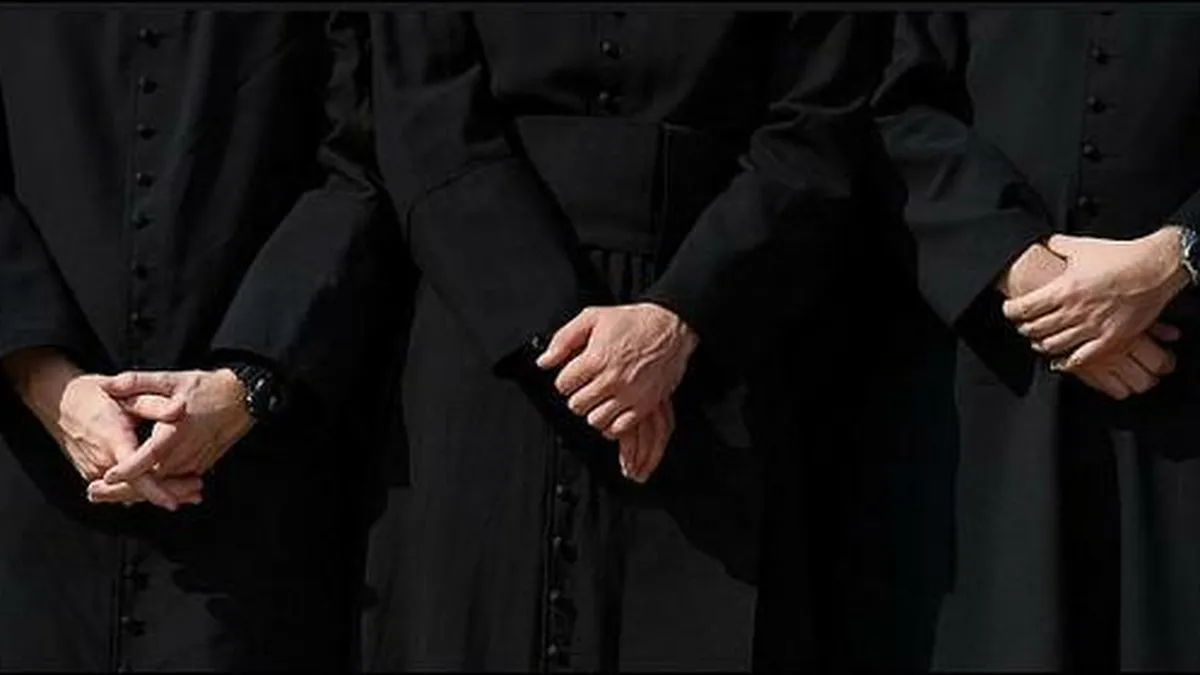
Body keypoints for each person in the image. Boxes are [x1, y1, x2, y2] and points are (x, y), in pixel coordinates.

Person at [348, 9, 891, 672]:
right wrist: (563, 336)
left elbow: (819, 125)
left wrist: (681, 316)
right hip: (485, 331)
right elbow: (423, 114)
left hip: (718, 344)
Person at [0, 10, 387, 670]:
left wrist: (248, 383)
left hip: (260, 476)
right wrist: (46, 382)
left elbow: (363, 152)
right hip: (30, 474)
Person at [869, 9, 1200, 670]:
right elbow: (891, 105)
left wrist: (1179, 256)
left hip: (1181, 375)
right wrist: (1028, 273)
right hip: (983, 376)